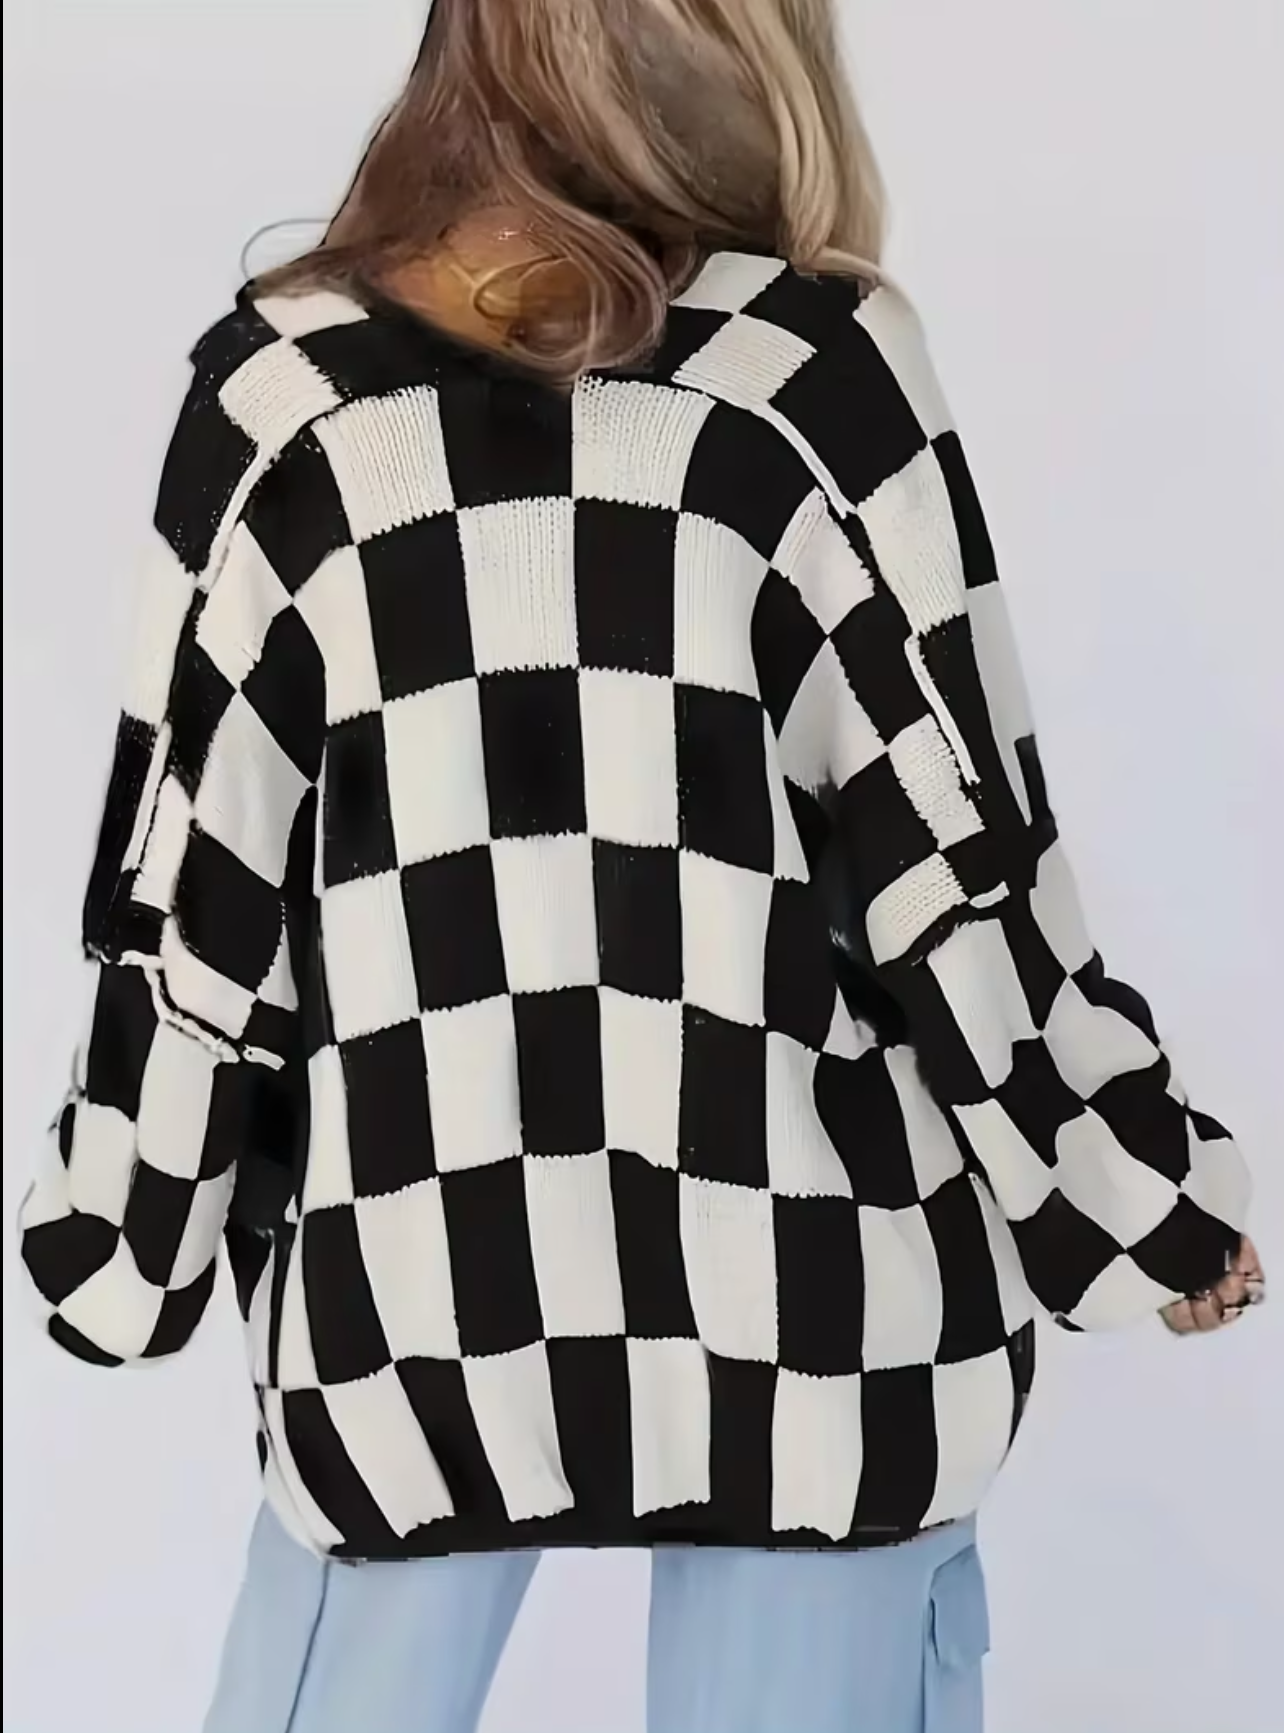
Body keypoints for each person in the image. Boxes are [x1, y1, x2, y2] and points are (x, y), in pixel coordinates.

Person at [18, 2, 1266, 1730]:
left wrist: (121, 1233)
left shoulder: (283, 396)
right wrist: (1130, 1190)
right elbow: (964, 870)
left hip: (412, 1287)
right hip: (816, 1296)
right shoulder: (812, 375)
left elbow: (185, 896)